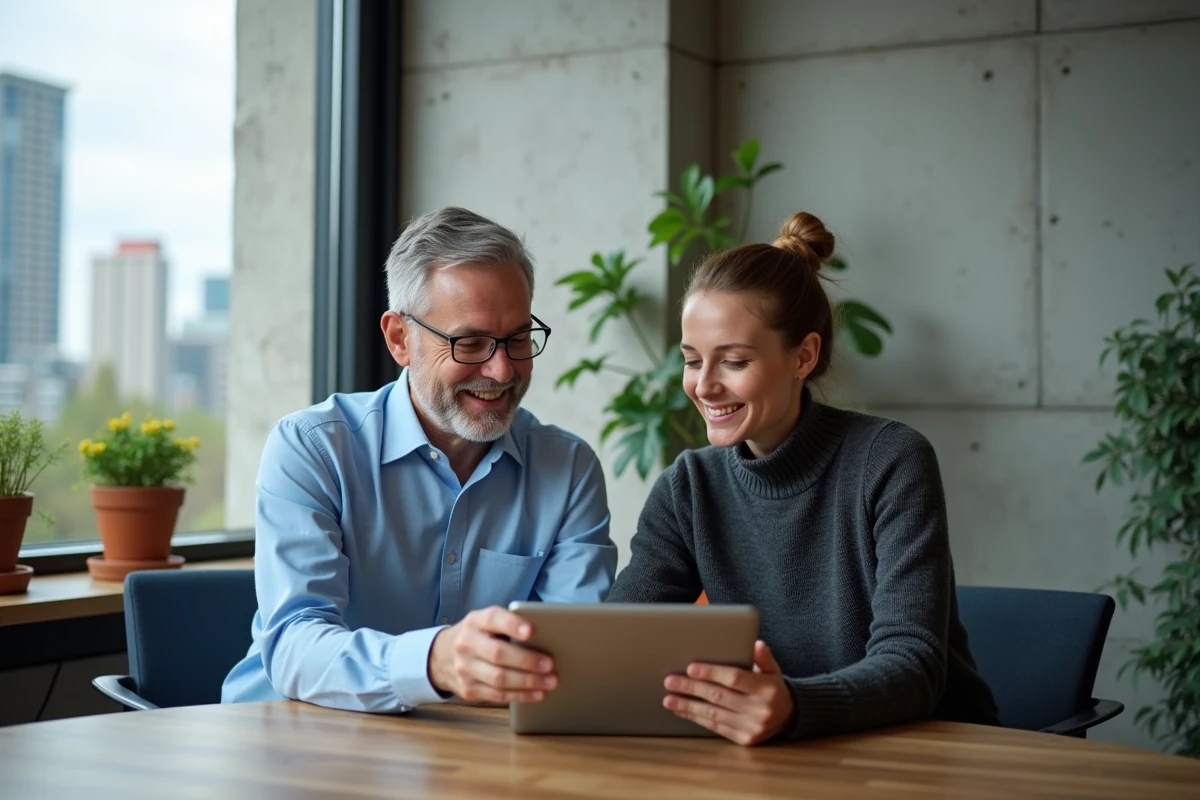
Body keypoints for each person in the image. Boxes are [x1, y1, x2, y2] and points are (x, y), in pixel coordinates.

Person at [607, 211, 998, 745]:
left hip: (929, 752)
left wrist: (795, 705)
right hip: (784, 756)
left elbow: (914, 665)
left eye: (734, 361)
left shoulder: (891, 460)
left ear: (804, 356)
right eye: (692, 360)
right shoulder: (689, 487)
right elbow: (619, 641)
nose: (704, 386)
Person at [223, 206, 617, 711]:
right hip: (294, 744)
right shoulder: (312, 449)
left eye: (518, 339)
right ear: (399, 339)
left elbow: (574, 655)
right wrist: (433, 662)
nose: (501, 371)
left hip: (468, 754)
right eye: (469, 343)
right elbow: (294, 649)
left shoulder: (568, 470)